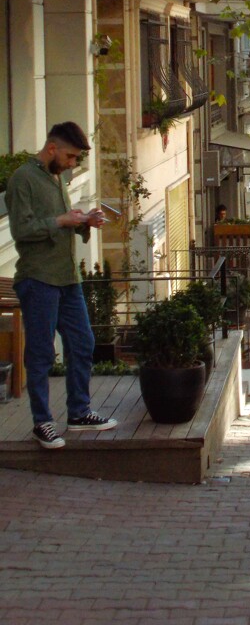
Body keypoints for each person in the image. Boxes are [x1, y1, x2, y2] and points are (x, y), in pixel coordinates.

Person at [5, 122, 118, 450]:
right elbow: (22, 231)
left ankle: (79, 412)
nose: (72, 164)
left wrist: (84, 222)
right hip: (38, 279)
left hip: (68, 278)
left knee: (83, 342)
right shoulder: (22, 179)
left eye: (76, 160)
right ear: (52, 148)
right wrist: (61, 220)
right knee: (41, 353)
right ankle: (42, 423)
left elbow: (61, 223)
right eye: (70, 157)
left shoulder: (57, 177)